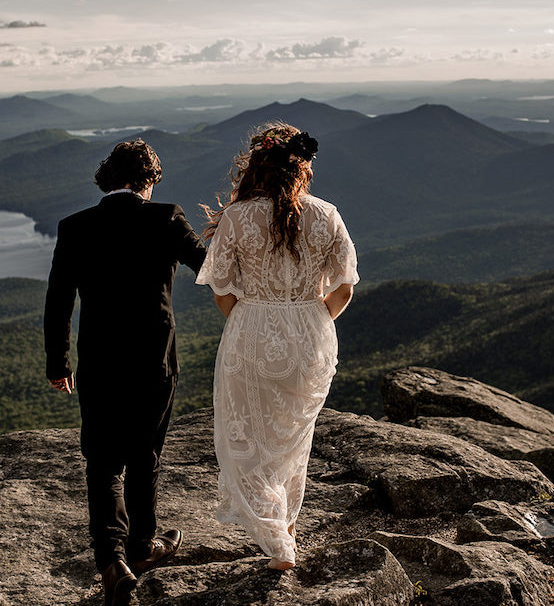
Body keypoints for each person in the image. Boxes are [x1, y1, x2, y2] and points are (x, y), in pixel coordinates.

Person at [44, 139, 207, 606]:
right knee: (144, 455)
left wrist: (60, 364)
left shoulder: (74, 227)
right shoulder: (166, 217)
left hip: (98, 362)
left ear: (107, 179)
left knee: (102, 461)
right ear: (148, 179)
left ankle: (111, 560)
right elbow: (210, 267)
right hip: (155, 361)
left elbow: (58, 303)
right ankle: (142, 546)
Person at [196, 122, 358, 571]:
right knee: (293, 441)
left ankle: (277, 539)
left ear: (257, 166)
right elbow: (344, 288)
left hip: (251, 330)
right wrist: (311, 322)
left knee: (245, 438)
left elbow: (222, 288)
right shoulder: (327, 214)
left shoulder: (237, 216)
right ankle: (285, 529)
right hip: (312, 333)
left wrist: (255, 322)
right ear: (302, 166)